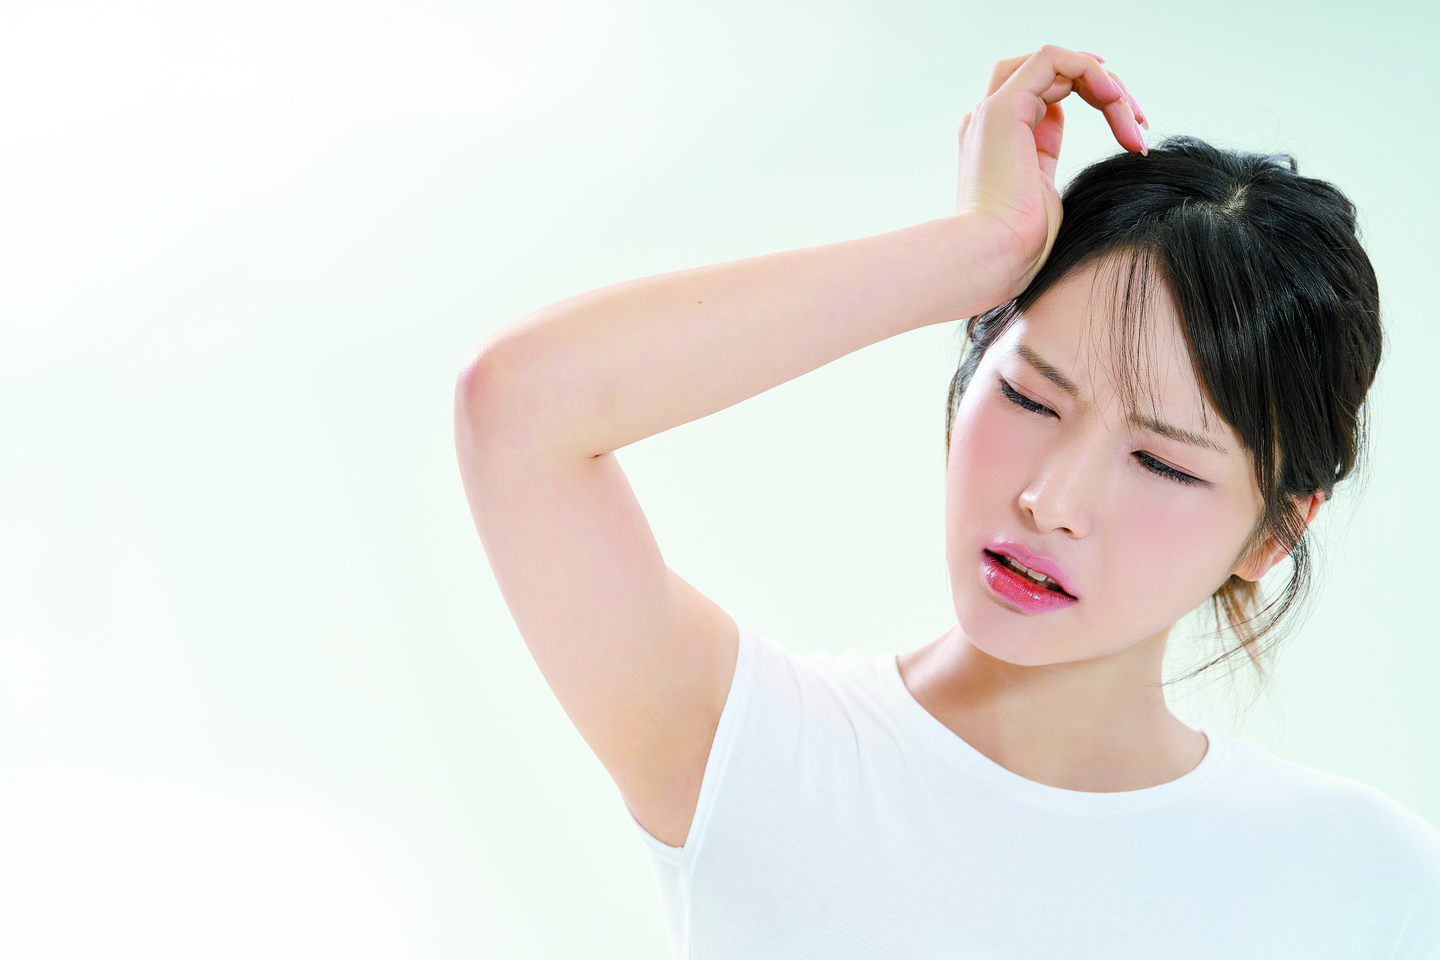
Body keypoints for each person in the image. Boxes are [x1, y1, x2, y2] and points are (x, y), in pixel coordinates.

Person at [453, 45, 1440, 958]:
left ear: (1273, 533)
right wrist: (975, 251)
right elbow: (518, 407)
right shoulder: (751, 755)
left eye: (1164, 465)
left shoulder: (1368, 881)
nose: (1050, 500)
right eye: (1028, 395)